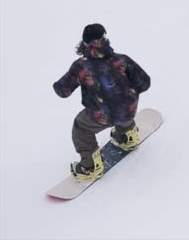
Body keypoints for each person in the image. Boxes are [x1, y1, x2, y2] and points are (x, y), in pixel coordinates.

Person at [53, 24, 151, 181]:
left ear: (84, 43)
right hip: (129, 110)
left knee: (81, 128)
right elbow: (144, 83)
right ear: (105, 39)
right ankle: (127, 136)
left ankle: (90, 167)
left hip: (102, 115)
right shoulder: (121, 59)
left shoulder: (81, 66)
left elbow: (63, 91)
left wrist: (58, 85)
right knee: (122, 107)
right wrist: (128, 91)